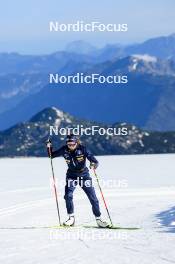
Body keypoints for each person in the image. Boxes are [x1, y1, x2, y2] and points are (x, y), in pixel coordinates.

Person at [46, 134, 109, 227]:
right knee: (68, 195)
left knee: (93, 198)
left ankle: (99, 219)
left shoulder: (83, 149)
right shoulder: (64, 149)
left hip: (84, 175)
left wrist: (93, 164)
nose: (70, 146)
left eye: (72, 144)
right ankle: (71, 218)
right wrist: (49, 147)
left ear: (76, 142)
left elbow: (95, 161)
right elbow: (51, 155)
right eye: (69, 144)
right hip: (71, 175)